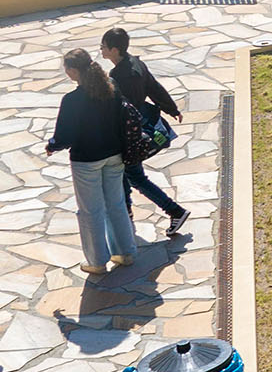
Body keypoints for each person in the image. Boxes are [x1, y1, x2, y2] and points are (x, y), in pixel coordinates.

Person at [45, 49, 138, 274]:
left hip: (87, 161)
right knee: (116, 205)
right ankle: (125, 252)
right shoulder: (111, 86)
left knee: (90, 211)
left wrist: (52, 144)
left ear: (74, 70)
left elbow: (64, 136)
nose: (66, 72)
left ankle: (96, 262)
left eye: (67, 68)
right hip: (115, 156)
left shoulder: (72, 100)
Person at [100, 27, 188, 238]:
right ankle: (127, 216)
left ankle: (174, 211)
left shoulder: (119, 76)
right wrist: (172, 108)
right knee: (127, 175)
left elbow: (121, 110)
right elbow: (154, 88)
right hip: (134, 132)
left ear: (114, 50)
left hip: (131, 135)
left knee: (135, 176)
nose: (101, 50)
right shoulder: (136, 63)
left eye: (103, 47)